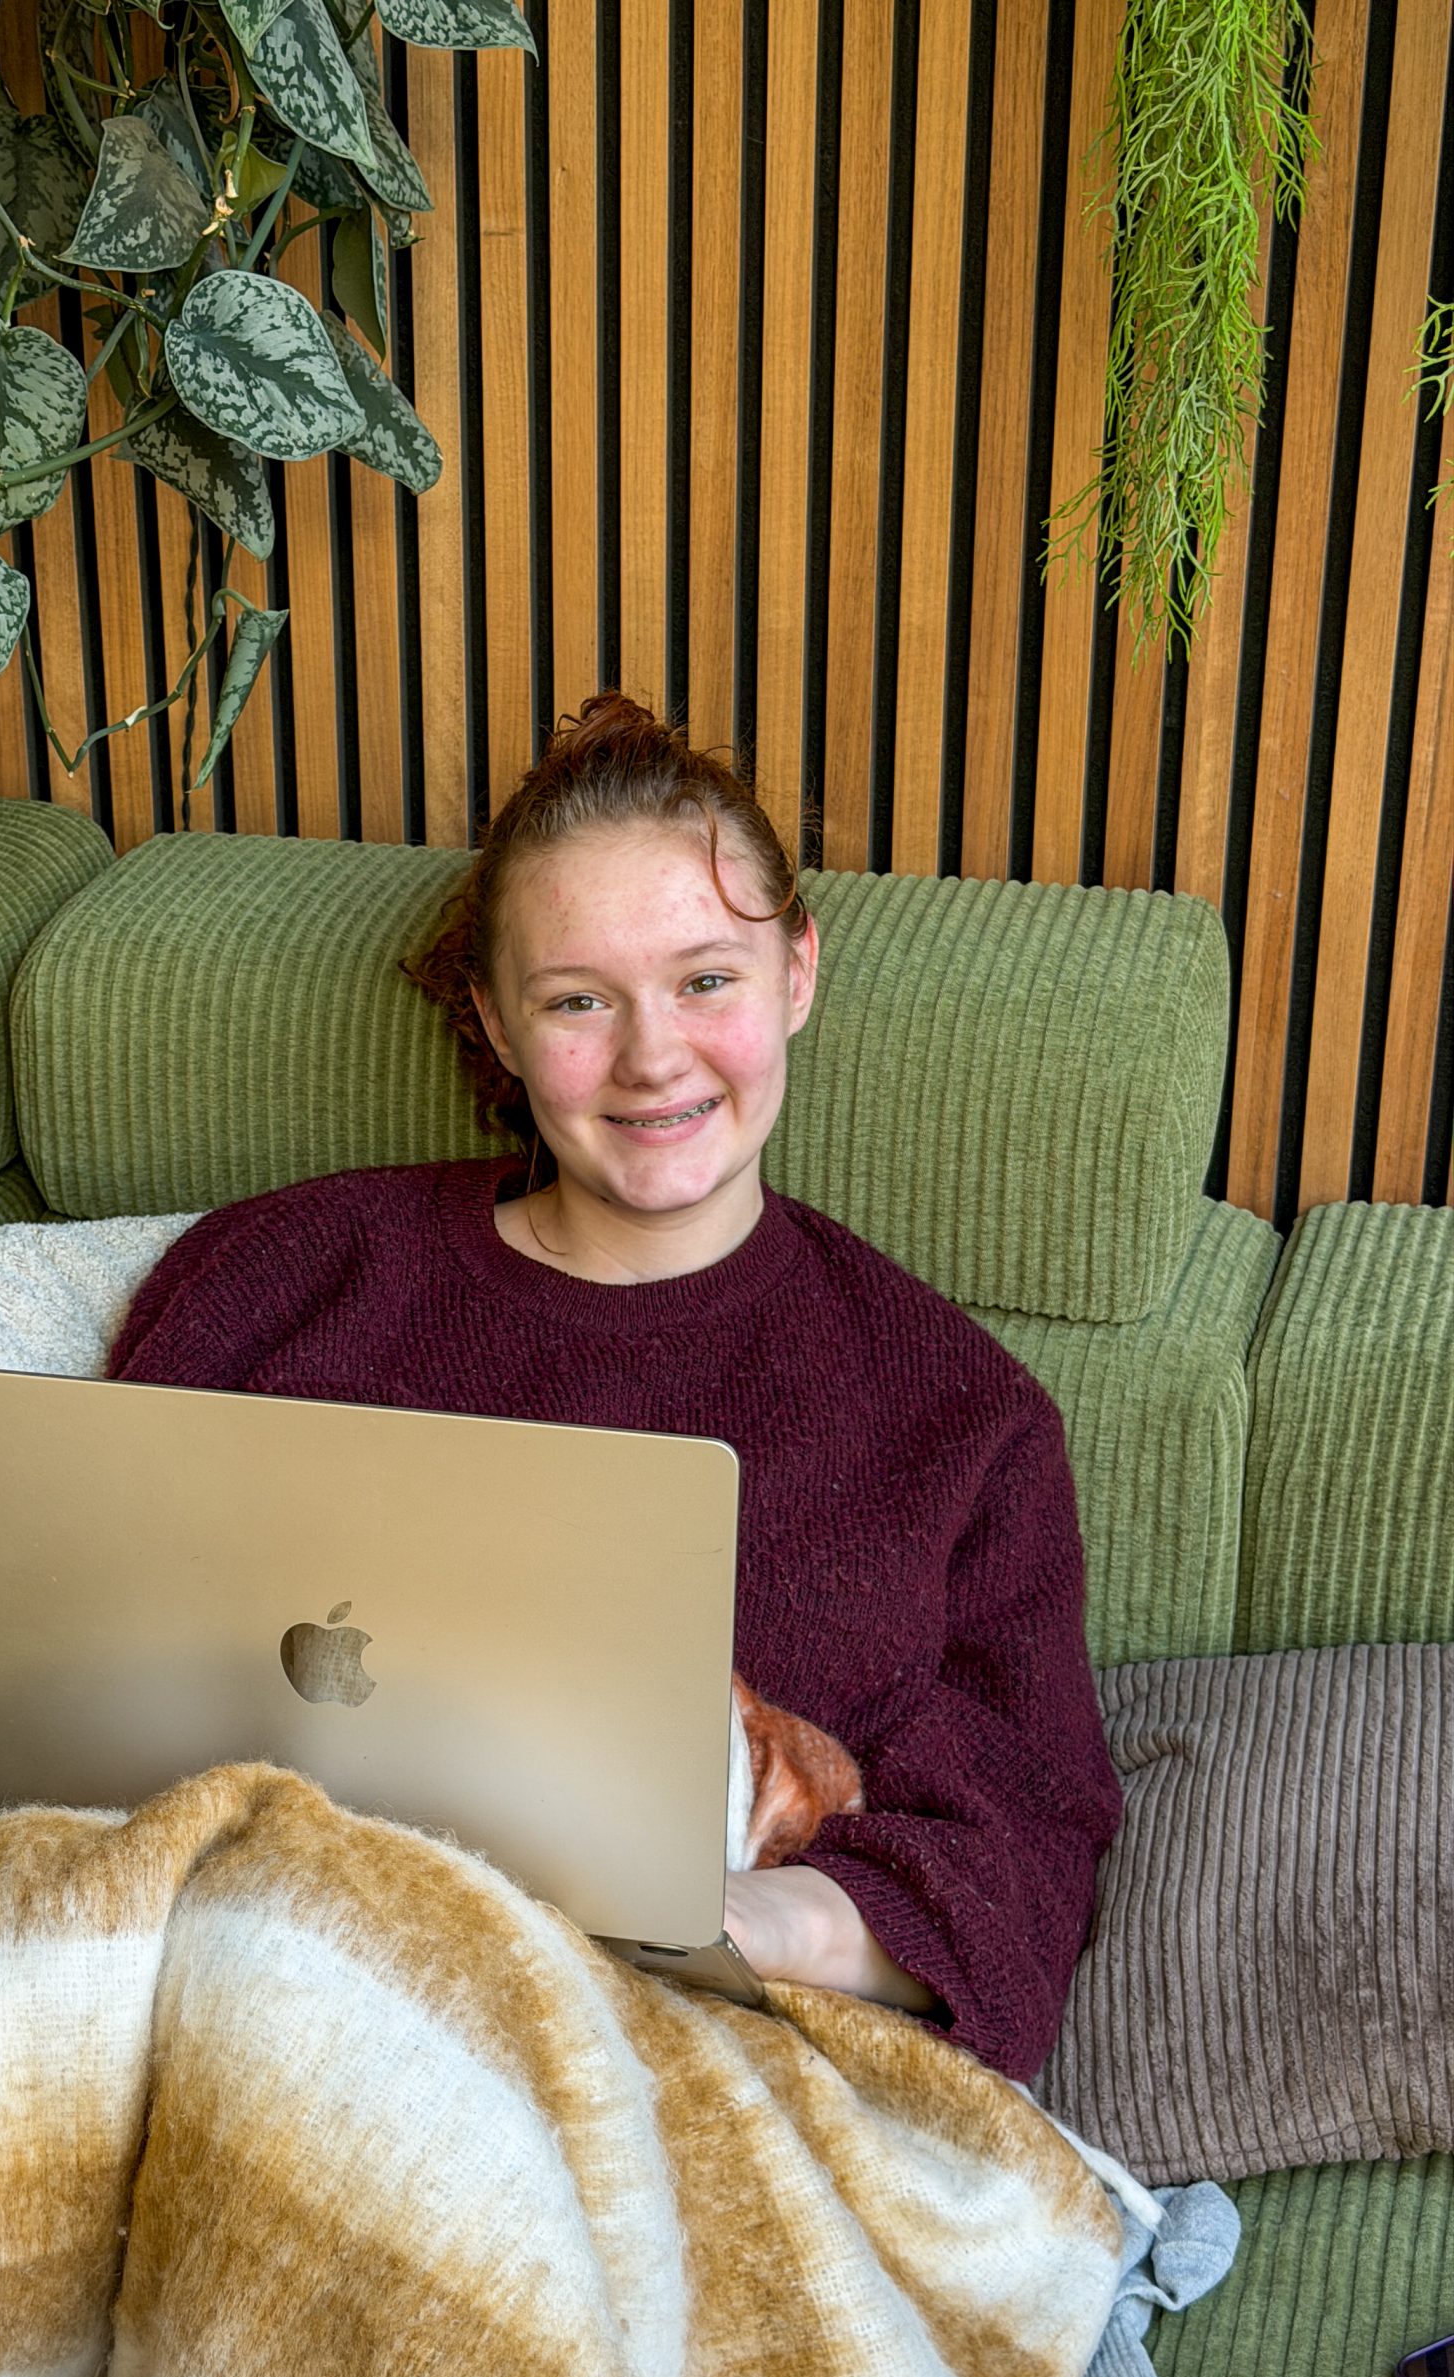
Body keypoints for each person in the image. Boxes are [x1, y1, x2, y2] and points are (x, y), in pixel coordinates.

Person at [108, 692, 1122, 2083]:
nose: (652, 1058)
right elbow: (90, 1675)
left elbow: (1025, 1845)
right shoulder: (278, 1278)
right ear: (496, 1021)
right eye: (579, 1000)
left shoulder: (960, 1418)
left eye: (707, 978)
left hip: (670, 2068)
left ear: (798, 975)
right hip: (243, 1996)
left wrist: (751, 1920)